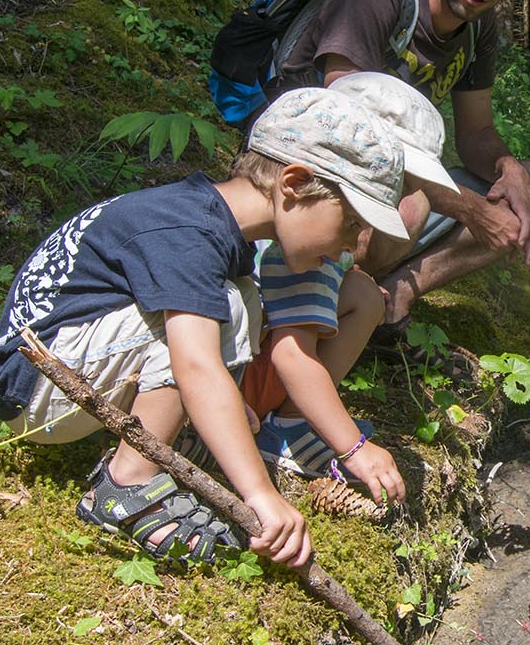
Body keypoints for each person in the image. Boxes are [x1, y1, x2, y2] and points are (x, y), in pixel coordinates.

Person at [0, 88, 408, 566]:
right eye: (350, 223)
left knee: (238, 299)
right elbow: (197, 366)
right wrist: (260, 494)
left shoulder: (216, 229)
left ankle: (171, 445)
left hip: (76, 369)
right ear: (294, 182)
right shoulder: (187, 232)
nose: (351, 246)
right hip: (35, 388)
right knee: (219, 309)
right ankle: (125, 486)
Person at [274, 0, 530, 333]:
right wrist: (471, 210)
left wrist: (508, 170)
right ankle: (334, 304)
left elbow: (477, 134)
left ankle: (396, 293)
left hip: (391, 198)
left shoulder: (477, 28)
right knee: (413, 204)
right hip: (312, 190)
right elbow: (345, 139)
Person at [179, 73, 456, 506]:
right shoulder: (306, 247)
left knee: (363, 294)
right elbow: (292, 354)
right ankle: (287, 426)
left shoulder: (297, 223)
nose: (398, 193)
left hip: (237, 371)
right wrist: (353, 447)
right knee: (362, 297)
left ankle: (287, 422)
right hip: (231, 382)